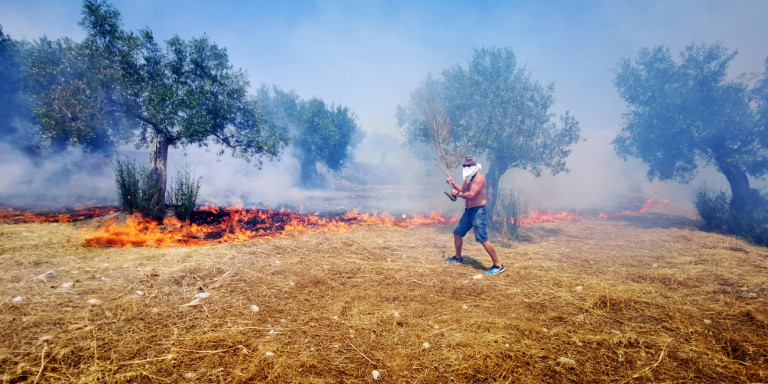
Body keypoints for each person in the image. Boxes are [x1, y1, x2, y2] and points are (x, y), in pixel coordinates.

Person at [444, 156, 504, 275]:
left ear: (475, 165)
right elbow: (462, 189)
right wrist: (452, 183)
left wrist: (458, 194)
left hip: (478, 212)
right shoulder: (468, 178)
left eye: (469, 165)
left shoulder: (479, 178)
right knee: (457, 233)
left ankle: (498, 265)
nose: (466, 167)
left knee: (482, 239)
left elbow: (471, 195)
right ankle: (458, 257)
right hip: (469, 211)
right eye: (465, 165)